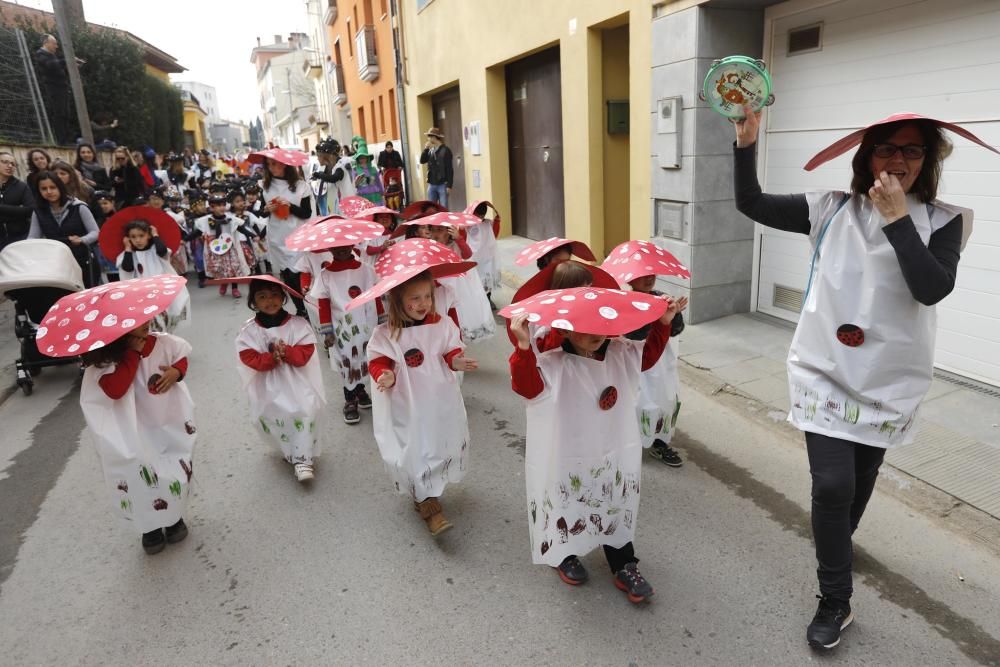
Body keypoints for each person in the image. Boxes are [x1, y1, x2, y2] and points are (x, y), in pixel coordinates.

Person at [732, 107, 996, 650]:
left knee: (863, 476)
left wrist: (899, 220)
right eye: (887, 148)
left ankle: (838, 543)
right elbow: (750, 203)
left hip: (889, 379)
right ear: (866, 155)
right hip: (824, 370)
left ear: (927, 162)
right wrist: (746, 143)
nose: (898, 159)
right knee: (833, 485)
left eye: (912, 150)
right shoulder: (828, 208)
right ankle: (836, 598)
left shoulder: (943, 221)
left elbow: (931, 288)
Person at [507, 291, 684, 603]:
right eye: (584, 329)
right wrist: (524, 347)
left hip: (611, 446)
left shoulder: (620, 352)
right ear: (563, 329)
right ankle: (565, 552)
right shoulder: (553, 364)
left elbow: (648, 356)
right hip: (568, 451)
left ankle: (624, 562)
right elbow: (527, 387)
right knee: (569, 501)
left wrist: (663, 324)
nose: (595, 336)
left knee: (613, 500)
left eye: (600, 328)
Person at [367, 270, 478, 535]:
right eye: (414, 298)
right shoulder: (387, 333)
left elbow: (449, 349)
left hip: (439, 400)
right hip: (409, 404)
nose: (423, 303)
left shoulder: (441, 324)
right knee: (416, 448)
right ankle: (428, 505)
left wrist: (456, 360)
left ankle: (429, 486)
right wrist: (385, 374)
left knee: (437, 442)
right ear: (397, 301)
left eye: (427, 296)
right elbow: (378, 360)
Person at [80, 319, 195, 555]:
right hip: (130, 430)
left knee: (171, 466)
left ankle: (173, 518)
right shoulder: (105, 359)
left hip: (165, 421)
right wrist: (132, 354)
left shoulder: (163, 342)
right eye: (135, 322)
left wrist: (177, 372)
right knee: (138, 473)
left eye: (146, 317)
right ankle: (150, 527)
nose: (146, 323)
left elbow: (180, 356)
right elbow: (116, 389)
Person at [236, 277, 324, 482]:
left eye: (275, 295)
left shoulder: (298, 325)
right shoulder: (249, 331)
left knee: (305, 411)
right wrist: (269, 359)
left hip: (299, 382)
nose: (270, 300)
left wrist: (288, 353)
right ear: (253, 302)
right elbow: (247, 356)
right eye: (262, 296)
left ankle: (303, 460)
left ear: (283, 297)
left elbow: (306, 351)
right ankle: (291, 450)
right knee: (279, 417)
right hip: (269, 386)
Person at [625, 275, 687, 467]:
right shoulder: (624, 302)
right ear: (631, 279)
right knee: (639, 403)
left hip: (662, 360)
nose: (649, 279)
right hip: (638, 361)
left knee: (664, 399)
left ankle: (659, 442)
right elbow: (630, 333)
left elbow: (677, 330)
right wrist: (653, 320)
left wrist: (674, 313)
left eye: (652, 274)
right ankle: (630, 443)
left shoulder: (661, 298)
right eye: (643, 276)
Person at [314, 245, 378, 425]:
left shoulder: (366, 269)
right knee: (347, 362)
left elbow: (376, 296)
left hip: (366, 324)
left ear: (352, 244)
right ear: (328, 248)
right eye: (335, 247)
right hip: (342, 329)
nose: (341, 249)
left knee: (364, 359)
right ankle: (350, 401)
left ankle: (360, 390)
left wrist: (382, 320)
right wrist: (327, 331)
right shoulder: (325, 275)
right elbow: (323, 304)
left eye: (344, 246)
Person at [28, 170, 100, 286]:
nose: (49, 192)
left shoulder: (79, 207)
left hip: (82, 260)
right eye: (44, 189)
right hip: (56, 263)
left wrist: (82, 240)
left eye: (53, 187)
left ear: (60, 187)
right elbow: (32, 237)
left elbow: (95, 232)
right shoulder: (38, 212)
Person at [260, 156, 312, 316]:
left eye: (274, 164)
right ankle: (300, 309)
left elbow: (306, 213)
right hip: (277, 236)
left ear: (285, 164)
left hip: (297, 235)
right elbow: (262, 213)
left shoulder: (301, 186)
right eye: (268, 164)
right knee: (287, 276)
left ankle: (308, 306)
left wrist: (290, 206)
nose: (271, 167)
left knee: (298, 273)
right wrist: (266, 209)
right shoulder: (265, 186)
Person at [116, 220, 190, 332]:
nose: (138, 240)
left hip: (160, 290)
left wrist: (155, 235)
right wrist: (128, 248)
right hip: (141, 293)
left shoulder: (155, 250)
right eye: (133, 237)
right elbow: (128, 268)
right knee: (150, 321)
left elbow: (162, 251)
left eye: (141, 236)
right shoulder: (128, 254)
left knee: (166, 316)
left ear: (148, 235)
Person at [193, 193, 250, 296]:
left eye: (223, 205)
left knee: (233, 267)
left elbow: (241, 228)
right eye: (218, 205)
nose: (222, 207)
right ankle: (224, 283)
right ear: (211, 207)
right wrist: (184, 239)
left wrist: (253, 235)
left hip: (230, 248)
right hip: (216, 249)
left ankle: (234, 288)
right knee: (222, 268)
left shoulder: (231, 219)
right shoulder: (205, 221)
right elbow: (197, 232)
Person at [33, 35, 72, 144]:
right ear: (46, 43)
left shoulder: (51, 55)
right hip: (54, 89)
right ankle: (62, 141)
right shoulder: (40, 54)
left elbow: (57, 68)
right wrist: (68, 61)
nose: (56, 46)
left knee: (65, 114)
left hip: (61, 89)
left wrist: (72, 66)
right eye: (54, 43)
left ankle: (66, 140)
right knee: (59, 114)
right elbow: (51, 65)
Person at [0, 150, 36, 250]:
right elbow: (23, 211)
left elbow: (30, 210)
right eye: (5, 162)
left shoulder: (22, 187)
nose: (10, 166)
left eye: (13, 164)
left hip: (19, 237)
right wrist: (17, 210)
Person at [419, 127, 453, 209]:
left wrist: (449, 185)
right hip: (431, 184)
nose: (428, 139)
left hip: (442, 184)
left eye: (429, 136)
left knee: (443, 208)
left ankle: (444, 221)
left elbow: (449, 169)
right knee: (431, 209)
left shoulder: (445, 150)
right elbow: (422, 160)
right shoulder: (430, 150)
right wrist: (426, 149)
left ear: (434, 137)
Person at [353, 140, 384, 206]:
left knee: (376, 214)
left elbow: (378, 182)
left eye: (364, 157)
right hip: (363, 196)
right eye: (360, 158)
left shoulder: (373, 169)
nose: (362, 159)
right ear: (358, 159)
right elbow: (354, 185)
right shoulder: (355, 170)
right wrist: (356, 184)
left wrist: (382, 193)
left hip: (375, 196)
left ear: (367, 158)